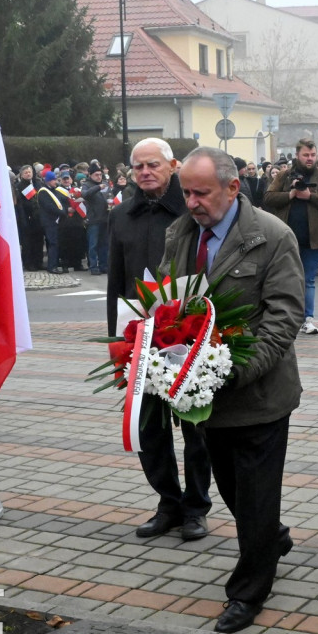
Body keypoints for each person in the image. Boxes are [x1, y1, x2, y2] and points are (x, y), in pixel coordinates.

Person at [162, 146, 304, 634]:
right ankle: (271, 537)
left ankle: (248, 592)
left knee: (257, 495)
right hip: (205, 400)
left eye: (202, 192)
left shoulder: (272, 236)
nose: (193, 202)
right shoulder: (180, 234)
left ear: (233, 187)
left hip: (259, 397)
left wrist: (236, 371)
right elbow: (167, 304)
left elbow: (285, 316)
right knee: (232, 489)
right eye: (186, 192)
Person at [107, 138, 213, 543]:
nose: (145, 172)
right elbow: (115, 283)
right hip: (140, 336)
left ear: (173, 165)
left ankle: (196, 507)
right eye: (138, 167)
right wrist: (117, 343)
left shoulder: (190, 211)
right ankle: (168, 502)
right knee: (149, 427)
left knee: (195, 427)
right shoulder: (122, 216)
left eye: (153, 165)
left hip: (185, 331)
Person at [263, 139, 318, 336]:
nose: (310, 158)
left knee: (308, 279)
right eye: (306, 155)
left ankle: (308, 319)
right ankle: (288, 318)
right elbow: (268, 197)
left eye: (313, 155)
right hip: (286, 237)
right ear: (297, 155)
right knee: (286, 279)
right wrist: (290, 195)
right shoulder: (284, 175)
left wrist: (310, 196)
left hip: (316, 238)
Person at [81, 159, 110, 275]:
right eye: (96, 175)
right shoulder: (87, 185)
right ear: (91, 175)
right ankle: (93, 266)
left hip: (105, 218)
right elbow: (85, 195)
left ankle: (104, 265)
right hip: (93, 219)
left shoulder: (105, 184)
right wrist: (98, 187)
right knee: (93, 245)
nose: (99, 177)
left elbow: (109, 195)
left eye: (100, 174)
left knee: (104, 244)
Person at [36, 169, 68, 274]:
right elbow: (49, 207)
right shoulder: (43, 192)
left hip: (55, 221)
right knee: (53, 243)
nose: (56, 182)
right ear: (49, 181)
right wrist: (62, 212)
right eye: (54, 180)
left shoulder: (54, 190)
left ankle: (55, 264)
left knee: (55, 243)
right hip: (49, 222)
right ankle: (52, 266)